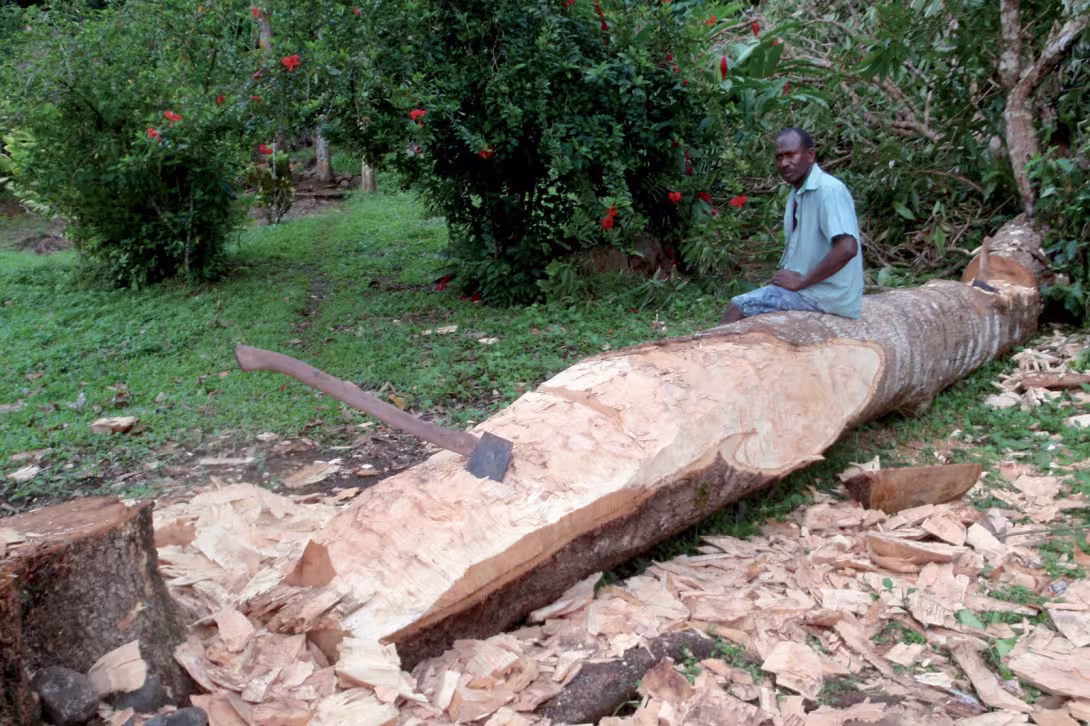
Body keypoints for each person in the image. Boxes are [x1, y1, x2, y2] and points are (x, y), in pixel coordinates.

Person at [720, 128, 863, 323]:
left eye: (790, 155)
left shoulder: (828, 190)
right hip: (812, 291)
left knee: (737, 308)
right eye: (779, 157)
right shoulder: (797, 194)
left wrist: (801, 281)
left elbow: (847, 248)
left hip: (824, 297)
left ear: (810, 155)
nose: (784, 163)